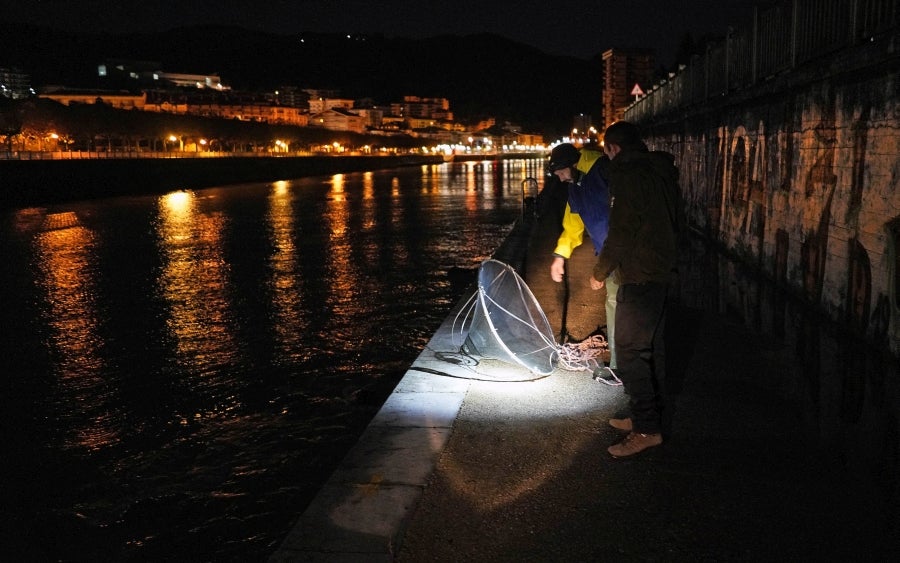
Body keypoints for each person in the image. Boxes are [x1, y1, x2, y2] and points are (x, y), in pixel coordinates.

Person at [590, 121, 681, 458]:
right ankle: (646, 416)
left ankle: (646, 429)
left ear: (613, 148)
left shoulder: (627, 175)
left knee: (629, 351)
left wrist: (600, 271)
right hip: (660, 269)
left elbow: (622, 230)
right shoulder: (660, 171)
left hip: (640, 273)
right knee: (650, 349)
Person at [546, 143, 619, 380]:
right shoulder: (575, 185)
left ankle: (620, 368)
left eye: (559, 171)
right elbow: (573, 224)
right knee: (614, 303)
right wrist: (560, 256)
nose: (558, 177)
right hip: (607, 253)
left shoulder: (603, 170)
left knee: (619, 304)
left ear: (571, 164)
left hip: (621, 251)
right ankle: (619, 361)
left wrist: (606, 263)